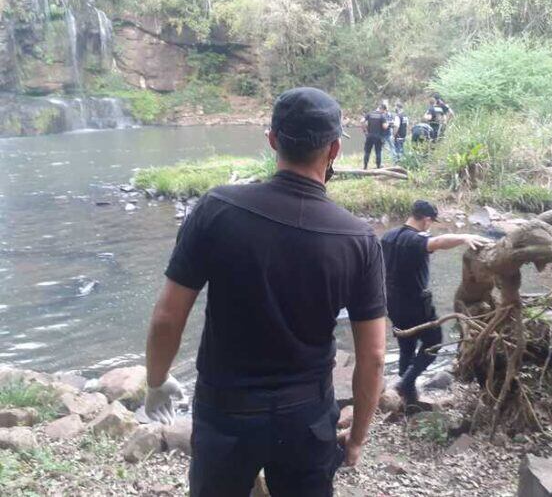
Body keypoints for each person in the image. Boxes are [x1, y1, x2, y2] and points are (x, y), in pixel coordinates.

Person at [144, 87, 387, 497]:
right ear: (335, 149)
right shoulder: (359, 238)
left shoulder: (216, 209)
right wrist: (358, 436)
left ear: (272, 139)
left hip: (225, 413)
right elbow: (375, 356)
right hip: (307, 419)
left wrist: (156, 381)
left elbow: (169, 316)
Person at [381, 201, 489, 404]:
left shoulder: (387, 236)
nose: (429, 226)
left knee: (406, 346)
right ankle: (404, 384)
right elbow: (438, 242)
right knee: (434, 341)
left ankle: (409, 397)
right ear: (426, 219)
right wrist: (464, 237)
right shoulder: (415, 239)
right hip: (416, 303)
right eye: (430, 222)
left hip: (392, 302)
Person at [362, 103, 389, 169]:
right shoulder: (382, 116)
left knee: (367, 151)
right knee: (378, 151)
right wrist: (388, 123)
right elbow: (384, 127)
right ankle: (378, 166)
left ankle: (365, 166)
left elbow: (362, 121)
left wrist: (365, 131)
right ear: (382, 109)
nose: (384, 112)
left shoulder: (370, 114)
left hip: (369, 135)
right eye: (384, 111)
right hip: (378, 136)